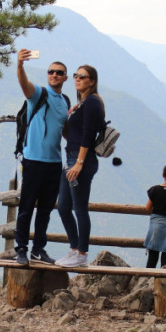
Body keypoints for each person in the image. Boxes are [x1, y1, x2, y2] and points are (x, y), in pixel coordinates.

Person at [13, 48, 70, 265]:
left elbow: (63, 130)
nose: (54, 75)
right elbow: (24, 85)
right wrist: (19, 65)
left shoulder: (64, 101)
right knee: (26, 206)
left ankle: (38, 249)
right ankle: (21, 249)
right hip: (33, 160)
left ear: (65, 77)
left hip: (55, 162)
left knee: (45, 209)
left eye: (59, 72)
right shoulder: (39, 94)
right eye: (51, 71)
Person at [56, 65, 104, 268]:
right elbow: (73, 134)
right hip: (71, 158)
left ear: (92, 81)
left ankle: (82, 254)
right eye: (75, 75)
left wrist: (79, 163)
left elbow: (87, 134)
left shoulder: (92, 102)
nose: (77, 79)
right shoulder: (81, 104)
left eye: (82, 76)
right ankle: (74, 248)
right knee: (64, 207)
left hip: (80, 160)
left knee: (80, 208)